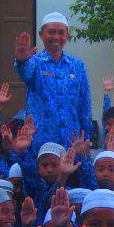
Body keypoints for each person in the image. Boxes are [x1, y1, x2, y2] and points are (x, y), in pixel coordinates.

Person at [13, 12, 93, 152]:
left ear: (67, 36)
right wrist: (21, 61)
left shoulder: (77, 66)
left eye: (61, 33)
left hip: (72, 142)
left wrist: (87, 136)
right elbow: (25, 73)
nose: (56, 37)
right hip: (41, 142)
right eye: (51, 32)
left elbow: (85, 103)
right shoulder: (34, 62)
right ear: (41, 34)